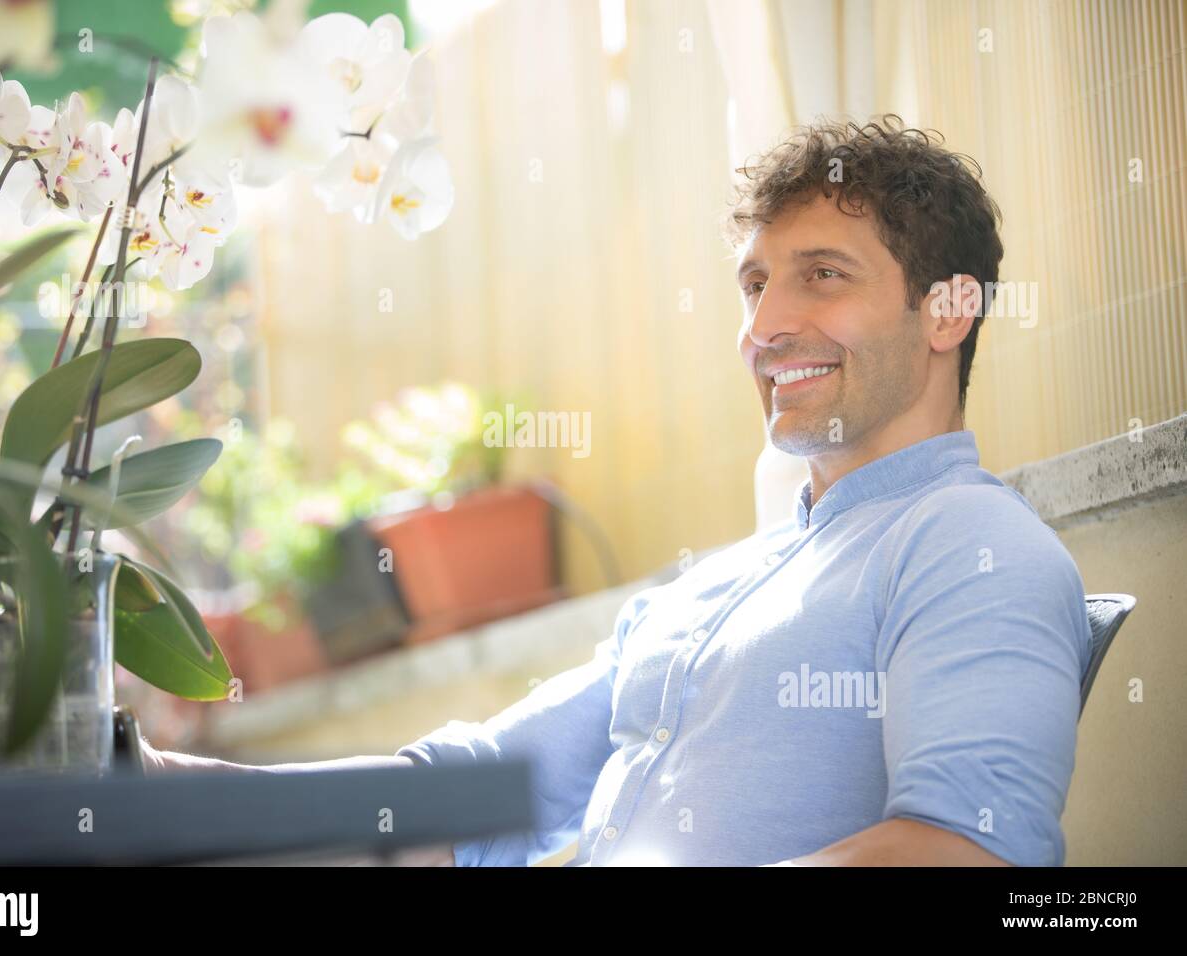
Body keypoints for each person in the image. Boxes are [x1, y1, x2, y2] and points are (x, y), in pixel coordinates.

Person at [143, 116, 1091, 867]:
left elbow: (969, 851)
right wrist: (160, 790)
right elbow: (466, 802)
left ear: (947, 312)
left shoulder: (969, 547)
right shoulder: (702, 592)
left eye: (822, 276)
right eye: (753, 285)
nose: (763, 326)